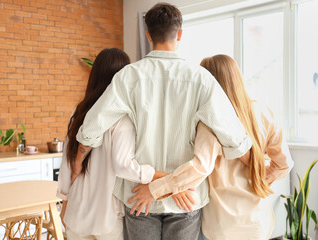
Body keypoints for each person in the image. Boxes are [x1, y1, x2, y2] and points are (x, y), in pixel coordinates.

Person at [71, 3, 252, 240]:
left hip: (139, 196)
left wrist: (77, 162)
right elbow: (234, 136)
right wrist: (257, 168)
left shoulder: (128, 76)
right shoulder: (201, 79)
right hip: (185, 197)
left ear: (148, 35)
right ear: (179, 34)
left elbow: (92, 127)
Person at [129, 54, 294, 240]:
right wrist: (260, 176)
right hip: (257, 222)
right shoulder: (265, 112)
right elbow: (284, 164)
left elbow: (199, 168)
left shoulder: (211, 120)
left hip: (221, 225)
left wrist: (154, 189)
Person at [57, 48, 161, 240]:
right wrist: (161, 176)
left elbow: (67, 162)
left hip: (77, 210)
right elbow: (123, 166)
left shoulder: (79, 111)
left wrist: (64, 203)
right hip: (107, 215)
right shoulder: (123, 117)